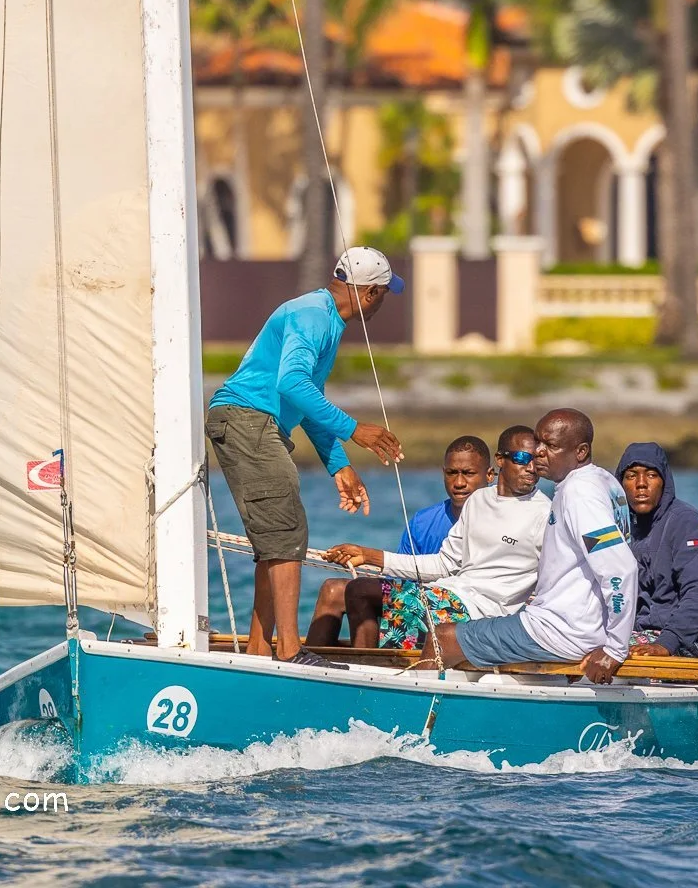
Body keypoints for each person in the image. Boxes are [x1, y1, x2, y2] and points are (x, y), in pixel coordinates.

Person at [207, 247, 405, 669]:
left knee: (274, 539)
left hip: (257, 422)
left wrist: (340, 465)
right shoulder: (314, 315)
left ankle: (261, 654)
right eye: (384, 294)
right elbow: (293, 382)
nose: (383, 302)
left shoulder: (323, 318)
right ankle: (292, 651)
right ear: (369, 293)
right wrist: (356, 430)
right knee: (286, 531)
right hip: (248, 419)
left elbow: (305, 401)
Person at [414, 408, 637, 684]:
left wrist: (615, 649)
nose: (539, 452)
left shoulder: (580, 494)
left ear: (580, 452)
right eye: (539, 442)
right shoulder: (604, 481)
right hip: (574, 625)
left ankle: (409, 721)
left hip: (562, 631)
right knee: (463, 642)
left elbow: (620, 568)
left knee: (443, 637)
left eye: (551, 446)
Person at [318, 426, 548, 649]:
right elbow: (444, 564)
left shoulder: (545, 514)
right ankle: (367, 671)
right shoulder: (478, 500)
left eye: (537, 460)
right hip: (450, 593)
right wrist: (369, 556)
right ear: (500, 460)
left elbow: (560, 580)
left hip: (483, 613)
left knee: (404, 605)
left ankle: (381, 671)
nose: (531, 467)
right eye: (521, 458)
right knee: (359, 589)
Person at [304, 435, 493, 648]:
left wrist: (369, 556)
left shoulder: (502, 520)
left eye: (468, 474)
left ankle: (368, 666)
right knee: (334, 589)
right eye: (452, 473)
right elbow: (398, 579)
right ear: (443, 473)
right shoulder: (423, 521)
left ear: (489, 475)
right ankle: (309, 670)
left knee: (362, 591)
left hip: (468, 612)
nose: (459, 483)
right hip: (418, 604)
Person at [617, 442, 698, 661]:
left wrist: (668, 642)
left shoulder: (686, 523)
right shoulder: (618, 526)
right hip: (637, 635)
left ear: (665, 482)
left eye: (652, 475)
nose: (641, 484)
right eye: (632, 476)